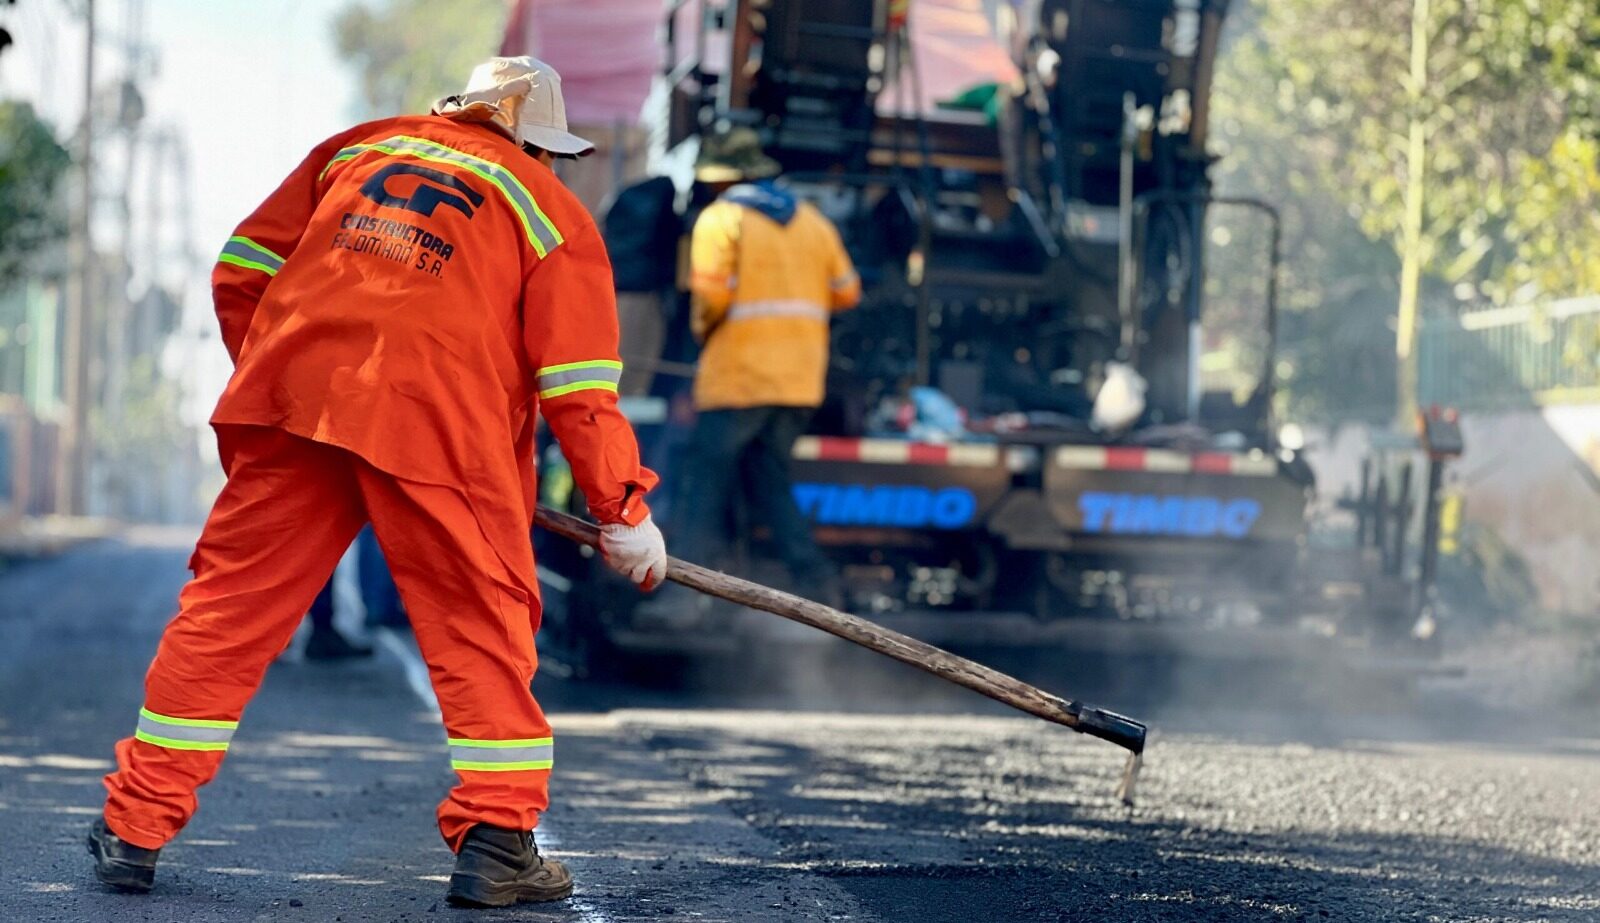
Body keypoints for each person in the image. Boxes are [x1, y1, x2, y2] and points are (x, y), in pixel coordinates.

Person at [88, 57, 667, 909]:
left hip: (299, 410)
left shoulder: (354, 150)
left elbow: (241, 266)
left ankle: (134, 827)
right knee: (481, 625)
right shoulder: (551, 212)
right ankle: (499, 841)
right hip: (437, 428)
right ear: (533, 141)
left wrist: (282, 374)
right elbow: (578, 386)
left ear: (460, 112)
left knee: (224, 619)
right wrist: (623, 508)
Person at [667, 129, 860, 605]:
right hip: (798, 383)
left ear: (721, 180)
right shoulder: (813, 222)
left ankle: (682, 593)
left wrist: (701, 338)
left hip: (737, 379)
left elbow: (709, 301)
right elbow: (847, 292)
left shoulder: (720, 219)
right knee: (769, 480)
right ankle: (817, 583)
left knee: (704, 481)